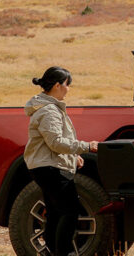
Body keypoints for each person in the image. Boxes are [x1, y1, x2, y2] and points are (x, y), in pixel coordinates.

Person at [24, 66, 99, 256]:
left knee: (56, 213)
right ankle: (62, 253)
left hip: (46, 166)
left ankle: (52, 252)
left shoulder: (48, 108)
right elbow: (56, 143)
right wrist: (87, 146)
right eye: (67, 85)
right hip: (51, 169)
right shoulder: (49, 111)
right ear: (58, 85)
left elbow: (54, 143)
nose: (68, 89)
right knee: (70, 212)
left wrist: (73, 155)